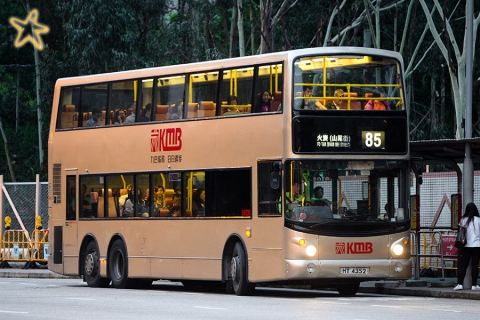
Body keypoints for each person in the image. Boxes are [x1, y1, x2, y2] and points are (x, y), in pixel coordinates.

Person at [453, 202, 480, 291]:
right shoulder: (478, 220)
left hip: (466, 246)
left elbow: (460, 233)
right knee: (475, 265)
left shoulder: (463, 220)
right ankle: (474, 285)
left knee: (464, 265)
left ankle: (460, 284)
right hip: (477, 245)